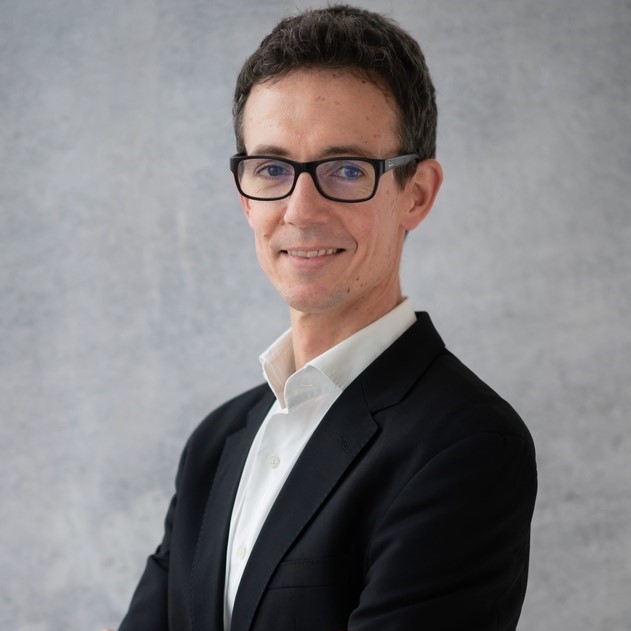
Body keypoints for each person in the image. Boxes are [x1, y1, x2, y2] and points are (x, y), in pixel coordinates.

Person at [113, 5, 537, 630]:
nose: (300, 210)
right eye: (272, 169)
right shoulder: (214, 444)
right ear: (245, 197)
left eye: (346, 170)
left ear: (416, 193)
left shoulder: (467, 445)